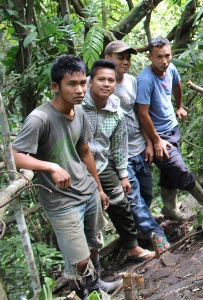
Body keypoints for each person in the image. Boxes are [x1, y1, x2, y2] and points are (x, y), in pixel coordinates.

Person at [12, 55, 121, 298]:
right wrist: (50, 166)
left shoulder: (79, 113)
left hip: (87, 189)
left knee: (93, 246)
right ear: (55, 87)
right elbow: (16, 155)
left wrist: (99, 188)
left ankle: (96, 287)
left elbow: (85, 152)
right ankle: (86, 293)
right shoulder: (40, 118)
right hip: (61, 201)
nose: (80, 89)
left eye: (83, 83)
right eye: (72, 84)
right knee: (79, 260)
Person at [82, 59, 154, 263]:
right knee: (87, 212)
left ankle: (132, 247)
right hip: (78, 166)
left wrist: (123, 174)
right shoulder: (78, 106)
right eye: (101, 79)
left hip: (102, 164)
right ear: (90, 81)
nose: (106, 84)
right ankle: (86, 267)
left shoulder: (116, 111)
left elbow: (119, 145)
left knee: (121, 202)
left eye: (111, 80)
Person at [104, 40, 170, 251]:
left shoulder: (133, 81)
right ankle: (158, 237)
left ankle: (139, 231)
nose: (125, 62)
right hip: (118, 156)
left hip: (139, 147)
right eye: (120, 57)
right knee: (134, 200)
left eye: (128, 58)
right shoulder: (97, 84)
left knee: (146, 194)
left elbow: (140, 114)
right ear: (107, 59)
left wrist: (150, 143)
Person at [136, 37, 203, 221]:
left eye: (167, 56)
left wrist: (180, 106)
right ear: (149, 56)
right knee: (180, 170)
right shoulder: (145, 80)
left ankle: (169, 208)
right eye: (159, 57)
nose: (164, 61)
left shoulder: (171, 69)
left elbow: (177, 85)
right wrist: (155, 140)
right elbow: (142, 114)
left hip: (172, 128)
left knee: (170, 172)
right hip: (159, 135)